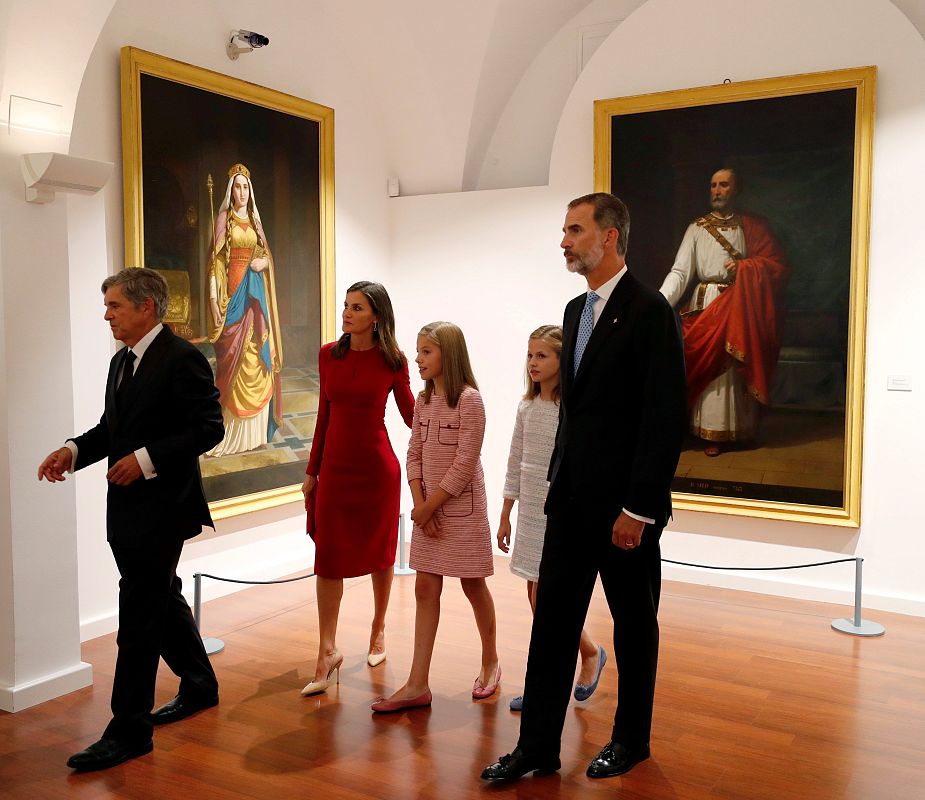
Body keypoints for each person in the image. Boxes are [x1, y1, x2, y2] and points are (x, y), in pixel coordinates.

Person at [482, 193, 686, 782]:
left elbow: (663, 418)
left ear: (610, 237)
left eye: (575, 230)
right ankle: (537, 748)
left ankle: (631, 741)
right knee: (551, 628)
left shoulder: (650, 311)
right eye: (564, 230)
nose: (565, 241)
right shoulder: (574, 312)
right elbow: (576, 415)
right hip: (569, 504)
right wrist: (552, 485)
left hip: (624, 511)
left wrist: (639, 509)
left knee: (633, 625)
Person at [37, 267, 224, 772]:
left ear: (147, 307)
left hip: (164, 508)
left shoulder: (183, 359)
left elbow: (210, 428)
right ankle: (200, 683)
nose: (106, 314)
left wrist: (145, 460)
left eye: (115, 305)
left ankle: (129, 728)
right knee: (159, 596)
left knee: (138, 617)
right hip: (126, 511)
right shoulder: (122, 361)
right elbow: (111, 430)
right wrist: (72, 450)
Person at [371, 321, 499, 712]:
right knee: (425, 589)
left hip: (460, 510)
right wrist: (419, 501)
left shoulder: (470, 400)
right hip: (428, 510)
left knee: (473, 586)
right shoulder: (424, 401)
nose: (417, 358)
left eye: (426, 351)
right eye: (418, 350)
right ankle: (416, 684)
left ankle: (491, 661)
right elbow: (413, 453)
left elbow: (465, 462)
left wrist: (429, 507)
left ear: (449, 354)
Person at [300, 281, 415, 696]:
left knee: (382, 551)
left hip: (377, 470)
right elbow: (323, 415)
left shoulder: (394, 361)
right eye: (346, 306)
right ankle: (326, 649)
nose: (347, 314)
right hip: (335, 470)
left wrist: (450, 405)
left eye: (357, 307)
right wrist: (313, 471)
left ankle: (378, 628)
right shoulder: (329, 354)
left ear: (376, 316)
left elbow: (411, 416)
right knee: (327, 557)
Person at [496, 325, 605, 712]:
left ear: (562, 360)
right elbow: (515, 461)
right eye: (529, 355)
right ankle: (582, 654)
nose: (533, 363)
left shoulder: (569, 409)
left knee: (548, 598)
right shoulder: (527, 407)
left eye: (542, 356)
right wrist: (506, 512)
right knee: (535, 594)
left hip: (558, 512)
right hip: (529, 511)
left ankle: (556, 677)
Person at [659, 167, 789, 457]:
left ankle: (741, 431)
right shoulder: (697, 229)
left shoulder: (753, 226)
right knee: (710, 371)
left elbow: (776, 266)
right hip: (706, 304)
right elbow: (680, 272)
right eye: (713, 185)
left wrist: (746, 267)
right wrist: (658, 304)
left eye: (724, 185)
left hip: (741, 303)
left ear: (736, 189)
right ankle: (711, 433)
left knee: (734, 370)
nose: (717, 191)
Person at [206, 163, 284, 457]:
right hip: (232, 298)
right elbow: (215, 262)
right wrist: (214, 301)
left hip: (256, 299)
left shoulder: (255, 221)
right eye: (237, 186)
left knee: (256, 355)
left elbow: (265, 255)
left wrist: (264, 263)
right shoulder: (223, 219)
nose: (242, 192)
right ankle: (228, 436)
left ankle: (254, 433)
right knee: (233, 363)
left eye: (246, 187)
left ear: (251, 192)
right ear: (231, 191)